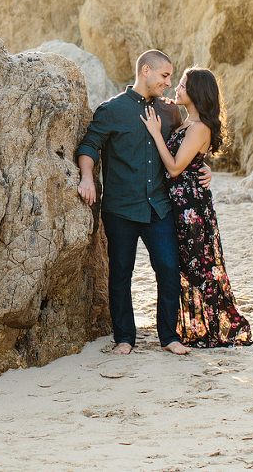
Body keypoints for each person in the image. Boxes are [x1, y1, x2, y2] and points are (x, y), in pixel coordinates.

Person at [76, 49, 209, 356]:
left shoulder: (170, 112)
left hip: (159, 206)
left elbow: (184, 148)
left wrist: (204, 168)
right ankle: (124, 337)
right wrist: (86, 176)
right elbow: (89, 146)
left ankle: (169, 336)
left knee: (167, 267)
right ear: (146, 71)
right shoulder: (112, 110)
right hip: (120, 208)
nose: (168, 83)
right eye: (165, 76)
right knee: (121, 272)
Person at [141, 66, 253, 348]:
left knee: (197, 266)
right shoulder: (186, 122)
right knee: (183, 265)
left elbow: (176, 167)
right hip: (179, 204)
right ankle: (186, 324)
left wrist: (155, 133)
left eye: (181, 85)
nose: (176, 89)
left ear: (196, 93)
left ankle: (206, 326)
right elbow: (189, 161)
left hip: (190, 207)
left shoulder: (200, 126)